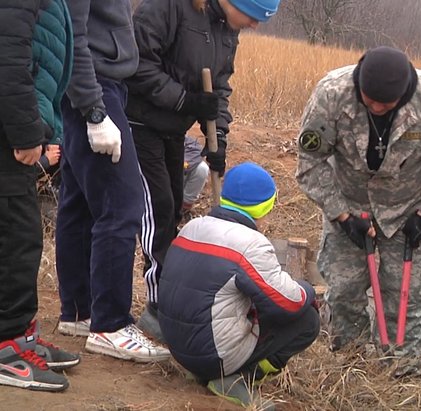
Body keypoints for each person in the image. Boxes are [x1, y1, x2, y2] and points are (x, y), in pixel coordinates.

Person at [295, 46, 421, 377]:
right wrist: (341, 215)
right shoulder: (331, 93)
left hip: (408, 213)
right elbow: (309, 165)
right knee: (343, 294)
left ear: (402, 96)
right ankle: (349, 371)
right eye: (368, 100)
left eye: (383, 105)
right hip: (349, 209)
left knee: (405, 298)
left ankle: (399, 375)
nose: (374, 107)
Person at [125, 0, 282, 341]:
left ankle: (174, 300)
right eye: (253, 17)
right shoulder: (170, 7)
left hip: (172, 130)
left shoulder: (227, 28)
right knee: (159, 210)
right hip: (138, 122)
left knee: (173, 207)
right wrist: (186, 100)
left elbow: (220, 88)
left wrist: (218, 138)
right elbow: (137, 65)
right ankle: (158, 307)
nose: (254, 26)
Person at [54, 0, 170, 362]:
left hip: (99, 86)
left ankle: (80, 311)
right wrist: (94, 110)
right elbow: (73, 34)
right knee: (121, 206)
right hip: (93, 88)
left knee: (79, 202)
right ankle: (111, 325)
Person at [158, 162, 320, 408]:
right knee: (307, 320)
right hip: (214, 356)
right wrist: (307, 289)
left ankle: (204, 370)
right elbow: (288, 302)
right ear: (265, 206)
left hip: (179, 349)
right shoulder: (250, 244)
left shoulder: (192, 227)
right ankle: (239, 378)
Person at [0, 0, 79, 392]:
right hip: (8, 130)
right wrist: (27, 130)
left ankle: (21, 336)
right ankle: (6, 348)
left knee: (21, 236)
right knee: (16, 240)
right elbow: (8, 56)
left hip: (15, 124)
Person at [181, 135, 210, 213]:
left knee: (201, 168)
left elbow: (196, 151)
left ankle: (184, 206)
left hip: (177, 177)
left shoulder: (180, 135)